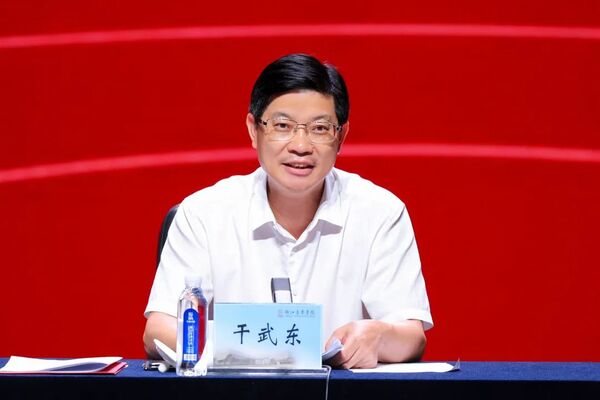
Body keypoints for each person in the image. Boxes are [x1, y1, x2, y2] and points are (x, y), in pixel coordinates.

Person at [143, 53, 433, 369]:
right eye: (282, 126)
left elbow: (410, 336)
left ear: (341, 136)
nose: (300, 145)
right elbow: (159, 329)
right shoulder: (203, 213)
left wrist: (379, 336)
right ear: (253, 130)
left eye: (320, 128)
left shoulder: (380, 213)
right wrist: (263, 348)